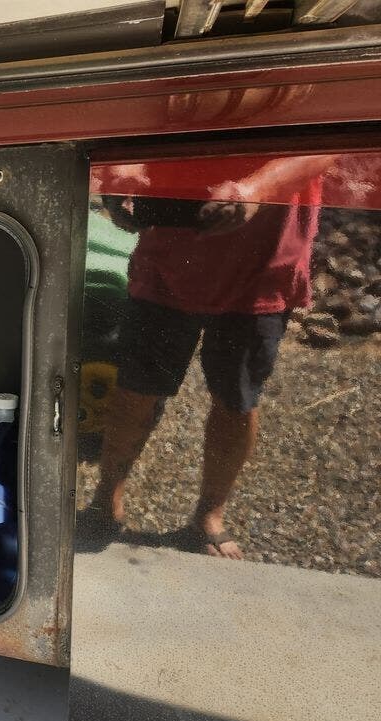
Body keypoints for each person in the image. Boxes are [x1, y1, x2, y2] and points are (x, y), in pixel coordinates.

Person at [86, 155, 334, 559]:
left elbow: (326, 145)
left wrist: (257, 189)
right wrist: (125, 171)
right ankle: (105, 499)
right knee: (135, 388)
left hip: (262, 261)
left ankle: (209, 515)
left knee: (237, 397)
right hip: (167, 248)